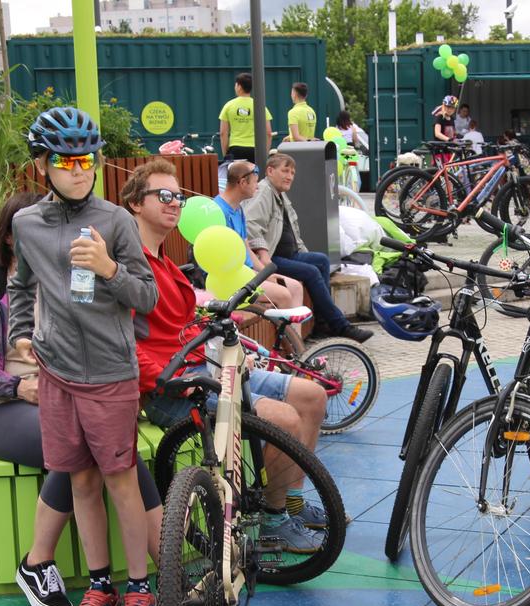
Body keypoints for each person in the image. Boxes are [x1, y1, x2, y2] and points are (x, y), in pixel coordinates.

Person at [0, 191, 164, 606]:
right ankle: (39, 561)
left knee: (110, 452)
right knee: (82, 450)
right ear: (15, 238)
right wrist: (14, 385)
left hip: (72, 388)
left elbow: (136, 309)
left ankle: (150, 575)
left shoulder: (77, 274)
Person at [123, 159, 329, 552]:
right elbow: (125, 345)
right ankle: (272, 522)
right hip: (173, 388)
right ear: (135, 203)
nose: (174, 203)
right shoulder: (132, 269)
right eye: (163, 195)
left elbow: (188, 327)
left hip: (205, 367)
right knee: (285, 420)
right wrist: (174, 381)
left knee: (313, 396)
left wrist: (228, 349)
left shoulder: (169, 264)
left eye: (179, 197)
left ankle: (291, 501)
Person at [9, 107, 159, 606]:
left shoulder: (116, 221)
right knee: (80, 481)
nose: (79, 169)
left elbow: (147, 295)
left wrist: (108, 268)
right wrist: (19, 333)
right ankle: (101, 587)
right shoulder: (26, 224)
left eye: (87, 159)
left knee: (121, 481)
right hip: (56, 374)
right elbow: (21, 288)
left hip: (109, 374)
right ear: (43, 165)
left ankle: (141, 587)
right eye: (66, 160)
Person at [246, 153, 373, 343]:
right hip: (271, 260)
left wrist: (303, 252)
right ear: (270, 171)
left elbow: (294, 233)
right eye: (285, 171)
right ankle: (340, 325)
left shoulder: (279, 193)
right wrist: (264, 255)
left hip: (288, 255)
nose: (290, 176)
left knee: (320, 260)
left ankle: (322, 323)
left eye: (293, 173)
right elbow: (251, 225)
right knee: (311, 271)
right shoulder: (264, 192)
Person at [213, 159, 305, 324]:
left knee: (296, 287)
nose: (258, 186)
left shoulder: (238, 208)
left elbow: (247, 248)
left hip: (249, 274)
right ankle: (286, 347)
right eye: (255, 182)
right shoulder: (218, 211)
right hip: (231, 278)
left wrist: (265, 273)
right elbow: (224, 260)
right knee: (283, 294)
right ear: (242, 183)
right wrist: (259, 278)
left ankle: (296, 345)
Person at [219, 72, 273, 163]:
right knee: (255, 176)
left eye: (236, 85)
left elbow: (223, 133)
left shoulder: (228, 105)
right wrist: (264, 154)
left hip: (235, 149)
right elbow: (268, 133)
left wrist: (226, 154)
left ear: (239, 86)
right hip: (255, 149)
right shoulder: (259, 105)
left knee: (236, 176)